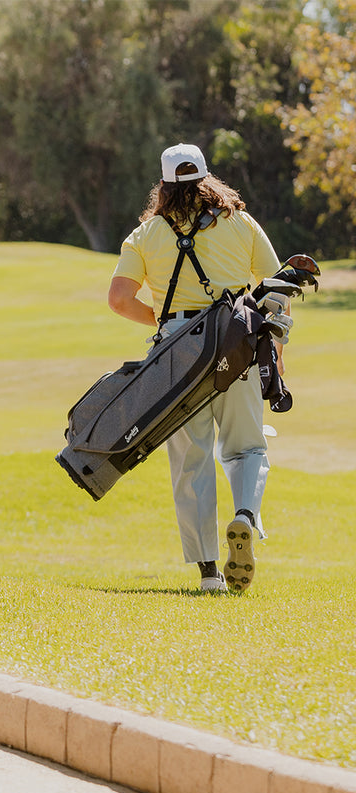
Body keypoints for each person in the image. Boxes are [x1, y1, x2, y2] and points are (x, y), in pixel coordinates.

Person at [108, 143, 281, 593]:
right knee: (247, 447)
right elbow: (274, 285)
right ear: (208, 178)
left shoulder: (145, 235)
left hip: (177, 355)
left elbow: (119, 299)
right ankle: (244, 516)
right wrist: (274, 346)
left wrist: (163, 323)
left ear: (163, 186)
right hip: (236, 344)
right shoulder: (240, 222)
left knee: (191, 461)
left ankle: (209, 574)